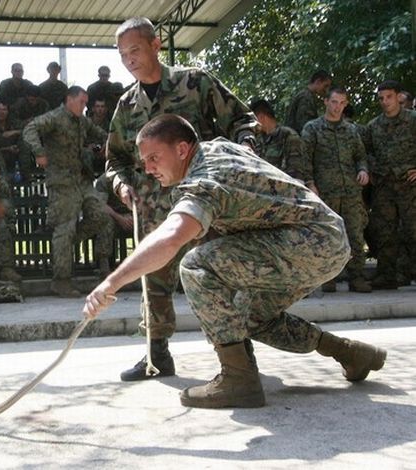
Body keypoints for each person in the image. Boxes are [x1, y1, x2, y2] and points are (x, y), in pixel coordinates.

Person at [84, 113, 387, 409]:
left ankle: (239, 379)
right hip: (325, 240)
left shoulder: (205, 181)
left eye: (154, 158)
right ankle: (349, 353)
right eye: (144, 161)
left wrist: (111, 283)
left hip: (310, 243)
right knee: (251, 317)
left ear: (181, 149)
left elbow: (172, 237)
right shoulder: (217, 148)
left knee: (196, 265)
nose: (147, 169)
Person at [106, 16, 259, 382]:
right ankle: (155, 355)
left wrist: (240, 159)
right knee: (153, 280)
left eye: (135, 50)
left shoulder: (195, 83)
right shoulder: (127, 105)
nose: (129, 60)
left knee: (219, 275)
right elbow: (115, 159)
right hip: (153, 206)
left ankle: (239, 356)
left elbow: (243, 121)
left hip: (204, 202)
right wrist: (122, 187)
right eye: (123, 54)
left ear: (156, 45)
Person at [23, 86, 111, 297]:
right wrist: (39, 151)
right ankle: (61, 280)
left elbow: (100, 133)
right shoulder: (54, 117)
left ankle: (65, 242)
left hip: (82, 180)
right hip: (62, 182)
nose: (85, 106)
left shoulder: (82, 121)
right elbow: (30, 129)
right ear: (69, 100)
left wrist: (112, 141)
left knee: (100, 216)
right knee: (65, 227)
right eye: (81, 101)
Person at [302, 87, 371, 293]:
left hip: (350, 192)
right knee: (326, 236)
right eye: (334, 102)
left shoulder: (351, 130)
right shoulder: (312, 129)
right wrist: (310, 183)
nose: (338, 107)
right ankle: (328, 279)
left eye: (342, 103)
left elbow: (360, 155)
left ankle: (357, 277)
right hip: (325, 193)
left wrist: (363, 170)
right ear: (325, 102)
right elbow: (305, 159)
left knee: (355, 235)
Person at [363, 80, 416, 289]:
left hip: (410, 186)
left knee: (413, 230)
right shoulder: (373, 126)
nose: (385, 102)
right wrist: (369, 170)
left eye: (389, 97)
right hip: (384, 187)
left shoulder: (412, 120)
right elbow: (364, 153)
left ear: (397, 97)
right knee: (385, 232)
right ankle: (387, 275)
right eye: (381, 98)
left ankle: (409, 270)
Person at [250, 99, 312, 189]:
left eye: (253, 119)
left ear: (261, 117)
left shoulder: (288, 136)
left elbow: (297, 174)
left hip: (284, 193)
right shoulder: (258, 139)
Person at [0, 100, 31, 177]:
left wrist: (14, 132)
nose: (1, 112)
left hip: (14, 153)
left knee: (25, 144)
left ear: (8, 111)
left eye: (4, 109)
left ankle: (26, 175)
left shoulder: (14, 123)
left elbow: (27, 130)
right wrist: (7, 148)